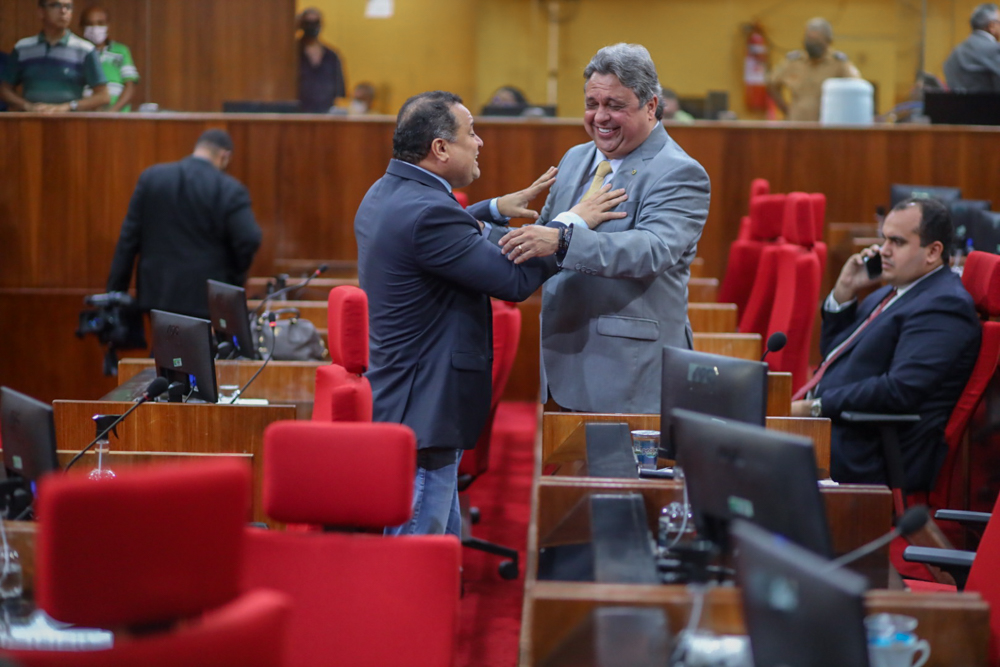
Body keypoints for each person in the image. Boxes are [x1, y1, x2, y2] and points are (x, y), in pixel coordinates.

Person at [355, 91, 570, 536]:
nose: (479, 142)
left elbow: (433, 232)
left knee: (438, 550)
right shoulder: (428, 212)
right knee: (416, 554)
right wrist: (569, 230)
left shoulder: (386, 192)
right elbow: (513, 280)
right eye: (471, 133)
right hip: (424, 407)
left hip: (408, 397)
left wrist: (491, 209)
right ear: (440, 148)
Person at [496, 43, 711, 414]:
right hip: (562, 365)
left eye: (614, 105)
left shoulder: (679, 172)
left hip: (628, 374)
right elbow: (545, 234)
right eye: (592, 104)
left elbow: (652, 249)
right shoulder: (576, 158)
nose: (600, 117)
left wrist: (563, 241)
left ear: (651, 106)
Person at [791, 198, 981, 491]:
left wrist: (816, 407)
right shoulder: (894, 290)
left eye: (897, 242)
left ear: (933, 252)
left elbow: (899, 390)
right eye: (884, 239)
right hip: (839, 431)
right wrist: (844, 293)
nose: (884, 250)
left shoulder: (945, 305)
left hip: (870, 453)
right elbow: (834, 356)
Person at [106, 129, 262, 320]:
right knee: (201, 340)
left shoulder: (151, 178)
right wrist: (233, 279)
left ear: (198, 148)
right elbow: (249, 238)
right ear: (224, 156)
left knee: (164, 339)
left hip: (157, 295)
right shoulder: (229, 189)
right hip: (205, 297)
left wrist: (115, 292)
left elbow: (128, 239)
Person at [1, 0, 109, 113]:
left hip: (70, 120)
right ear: (41, 12)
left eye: (68, 6)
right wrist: (27, 106)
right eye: (56, 5)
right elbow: (4, 90)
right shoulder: (23, 48)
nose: (63, 11)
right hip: (32, 120)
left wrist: (68, 107)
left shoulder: (85, 49)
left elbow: (103, 96)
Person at [767, 17, 861, 121]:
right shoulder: (793, 61)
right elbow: (771, 83)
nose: (812, 44)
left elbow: (857, 87)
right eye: (809, 40)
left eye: (817, 41)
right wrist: (786, 109)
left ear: (828, 41)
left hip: (828, 123)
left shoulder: (839, 63)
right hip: (797, 123)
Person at [79, 5, 139, 112]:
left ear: (107, 25)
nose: (95, 28)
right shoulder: (77, 52)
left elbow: (130, 85)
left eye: (100, 23)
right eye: (90, 24)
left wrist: (112, 111)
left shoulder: (121, 51)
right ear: (82, 27)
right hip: (86, 114)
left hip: (118, 115)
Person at [297, 7, 345, 113]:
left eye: (315, 23)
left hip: (325, 112)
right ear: (301, 25)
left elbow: (339, 90)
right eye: (308, 23)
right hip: (298, 113)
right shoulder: (292, 54)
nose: (312, 26)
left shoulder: (331, 56)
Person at [943, 3, 1000, 92]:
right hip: (990, 101)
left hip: (957, 101)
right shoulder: (995, 49)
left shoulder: (955, 52)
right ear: (991, 26)